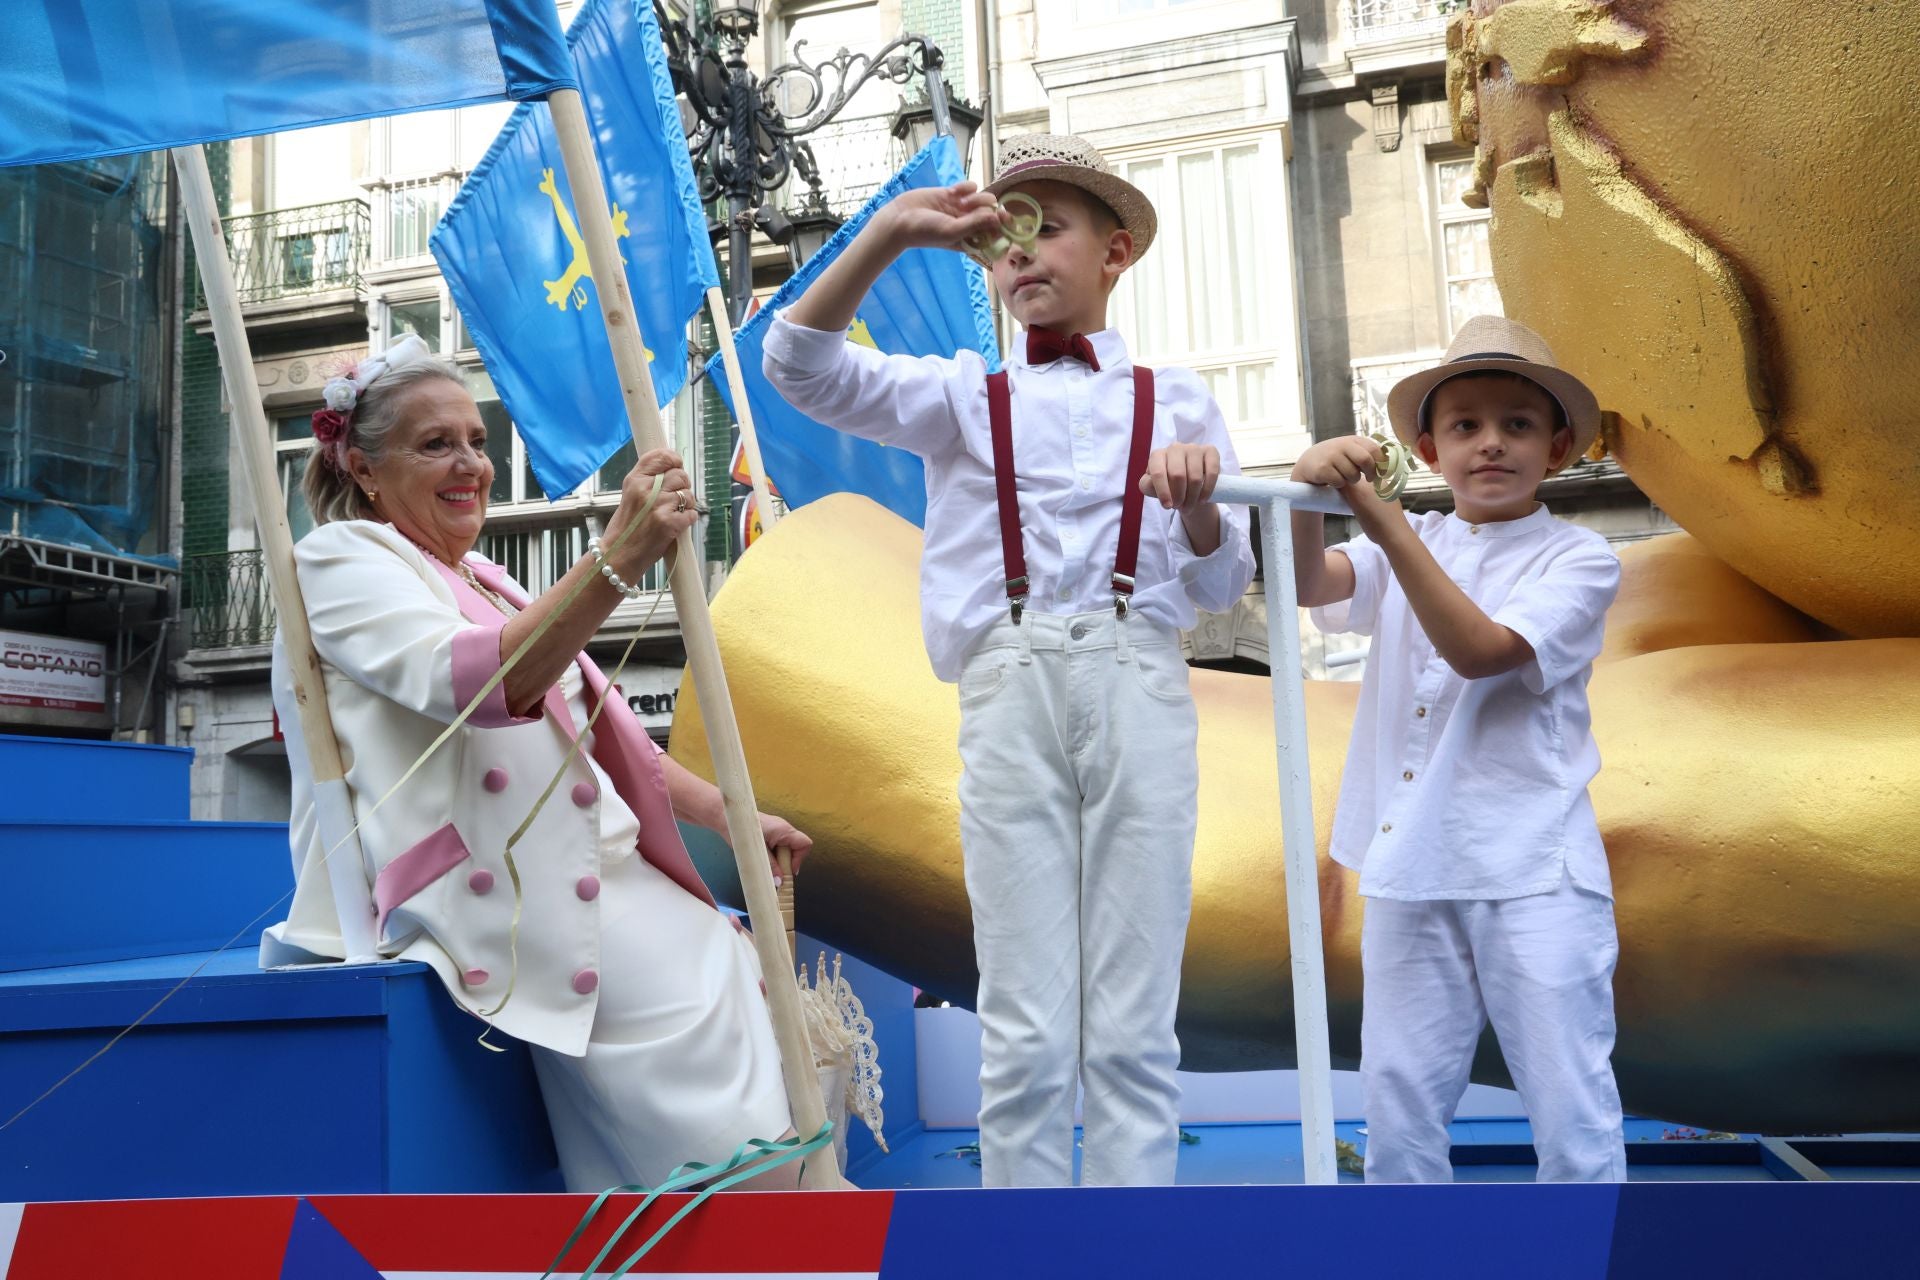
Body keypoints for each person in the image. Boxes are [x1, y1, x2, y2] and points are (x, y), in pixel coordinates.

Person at [762, 134, 1256, 1187]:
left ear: (1116, 250)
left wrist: (1204, 498)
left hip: (1139, 677)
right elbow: (795, 363)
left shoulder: (1179, 399)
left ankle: (1130, 1250)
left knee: (1133, 1021)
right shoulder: (958, 393)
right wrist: (895, 229)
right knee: (1025, 1018)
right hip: (1007, 681)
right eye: (1002, 242)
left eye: (1048, 230)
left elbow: (1219, 588)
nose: (1019, 257)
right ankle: (1024, 1247)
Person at [261, 335, 811, 1192]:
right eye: (435, 443)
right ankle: (767, 1217)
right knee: (711, 1073)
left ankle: (761, 1215)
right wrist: (617, 558)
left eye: (477, 441)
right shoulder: (338, 561)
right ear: (365, 470)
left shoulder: (485, 572)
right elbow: (478, 685)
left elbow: (602, 737)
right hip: (493, 885)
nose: (471, 464)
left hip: (597, 870)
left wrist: (734, 816)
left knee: (737, 982)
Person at [1289, 315, 1627, 1183]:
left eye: (1517, 425)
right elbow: (1308, 584)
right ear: (1427, 448)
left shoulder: (1580, 557)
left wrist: (1373, 510)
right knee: (1399, 1107)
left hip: (1533, 868)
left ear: (1557, 450)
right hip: (1410, 864)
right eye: (1465, 425)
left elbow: (1480, 652)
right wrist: (1304, 489)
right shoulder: (1414, 542)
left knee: (1571, 1110)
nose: (1490, 444)